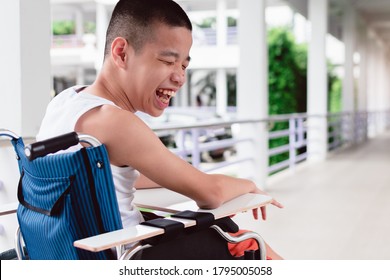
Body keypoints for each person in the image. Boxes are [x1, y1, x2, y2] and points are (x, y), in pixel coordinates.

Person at [37, 0, 283, 259]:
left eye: (184, 66)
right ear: (121, 53)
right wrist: (247, 184)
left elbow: (102, 178)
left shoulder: (64, 101)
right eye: (168, 61)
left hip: (67, 251)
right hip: (126, 256)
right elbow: (211, 195)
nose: (180, 77)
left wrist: (186, 176)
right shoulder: (116, 122)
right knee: (247, 243)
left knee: (221, 227)